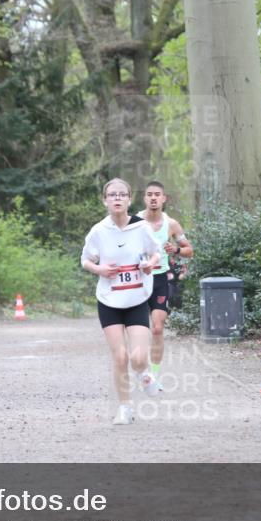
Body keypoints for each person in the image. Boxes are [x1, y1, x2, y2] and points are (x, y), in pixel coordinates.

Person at [81, 178, 161, 425]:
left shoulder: (141, 228)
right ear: (105, 200)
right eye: (112, 195)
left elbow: (156, 253)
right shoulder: (98, 231)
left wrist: (150, 264)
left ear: (128, 200)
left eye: (122, 194)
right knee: (120, 357)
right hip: (109, 301)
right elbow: (85, 260)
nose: (117, 198)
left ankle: (144, 372)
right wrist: (100, 269)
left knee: (137, 358)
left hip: (137, 299)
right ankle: (124, 408)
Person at [137, 181, 193, 390]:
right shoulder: (135, 221)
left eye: (157, 194)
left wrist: (176, 251)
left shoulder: (172, 225)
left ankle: (155, 375)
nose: (153, 198)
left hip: (160, 280)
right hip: (140, 280)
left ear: (164, 199)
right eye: (149, 194)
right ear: (144, 198)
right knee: (139, 329)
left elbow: (189, 249)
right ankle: (140, 369)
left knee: (158, 329)